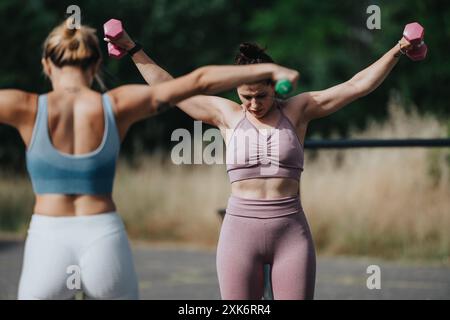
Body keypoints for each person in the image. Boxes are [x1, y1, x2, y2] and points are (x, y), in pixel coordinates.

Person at [0, 17, 298, 300]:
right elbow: (200, 80)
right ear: (97, 64)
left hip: (47, 239)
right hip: (101, 237)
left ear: (46, 65)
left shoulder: (24, 107)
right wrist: (271, 72)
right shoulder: (116, 105)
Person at [105, 26, 413, 300]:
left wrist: (399, 47)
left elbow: (356, 86)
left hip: (291, 234)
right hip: (239, 235)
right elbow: (169, 88)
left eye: (262, 96)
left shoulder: (298, 110)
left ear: (274, 86)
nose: (254, 104)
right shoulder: (226, 115)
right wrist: (132, 47)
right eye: (246, 96)